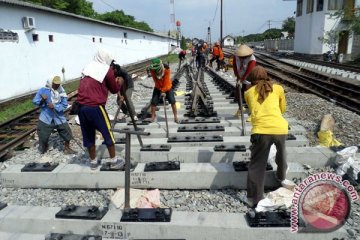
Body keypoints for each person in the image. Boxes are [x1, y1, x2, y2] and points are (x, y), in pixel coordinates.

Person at [244, 66, 288, 208]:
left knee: (257, 165)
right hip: (280, 128)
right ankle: (281, 177)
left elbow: (253, 111)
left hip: (261, 131)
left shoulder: (249, 92)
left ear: (252, 79)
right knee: (281, 156)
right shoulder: (278, 89)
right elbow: (283, 109)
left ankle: (255, 199)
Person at [77, 49, 124, 170]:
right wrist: (119, 83)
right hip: (96, 107)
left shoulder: (87, 68)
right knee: (107, 132)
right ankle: (114, 160)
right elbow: (114, 89)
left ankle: (93, 162)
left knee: (88, 135)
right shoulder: (106, 70)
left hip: (82, 107)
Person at [32, 76, 77, 155]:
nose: (57, 86)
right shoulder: (43, 90)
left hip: (58, 117)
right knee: (42, 133)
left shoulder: (61, 91)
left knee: (67, 131)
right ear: (51, 83)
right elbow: (35, 101)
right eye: (55, 84)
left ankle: (67, 148)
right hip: (46, 117)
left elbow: (64, 104)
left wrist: (55, 106)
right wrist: (42, 100)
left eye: (58, 84)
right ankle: (43, 146)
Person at [148, 58, 179, 123]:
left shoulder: (167, 69)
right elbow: (155, 80)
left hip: (167, 87)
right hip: (158, 87)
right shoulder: (152, 70)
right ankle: (153, 116)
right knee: (153, 102)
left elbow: (166, 82)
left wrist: (163, 91)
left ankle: (175, 116)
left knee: (172, 101)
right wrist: (160, 91)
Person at [232, 44, 256, 116]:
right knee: (238, 92)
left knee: (249, 93)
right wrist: (238, 77)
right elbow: (235, 67)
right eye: (240, 57)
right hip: (240, 75)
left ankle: (251, 111)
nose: (241, 58)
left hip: (249, 77)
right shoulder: (236, 57)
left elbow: (249, 71)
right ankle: (240, 108)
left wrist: (242, 79)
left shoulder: (252, 59)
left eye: (243, 57)